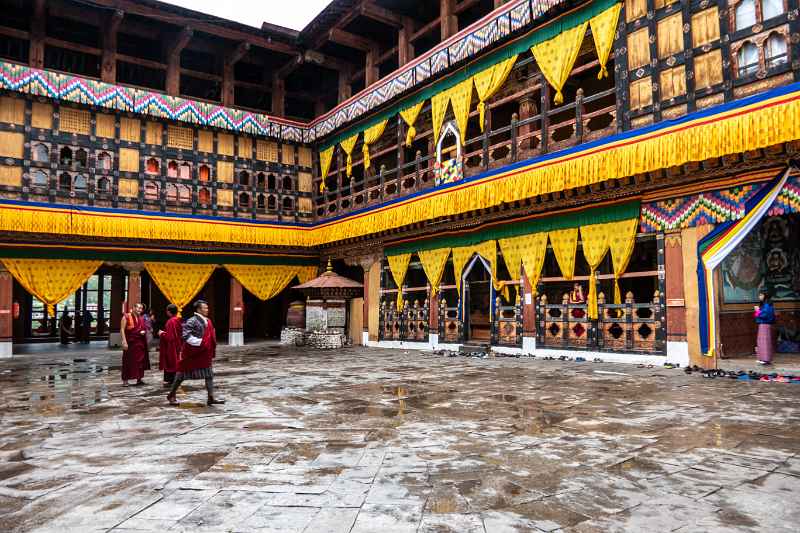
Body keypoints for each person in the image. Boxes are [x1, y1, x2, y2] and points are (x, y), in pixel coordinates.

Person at [167, 300, 224, 406]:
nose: (207, 310)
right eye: (205, 308)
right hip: (192, 353)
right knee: (181, 375)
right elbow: (185, 335)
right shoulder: (192, 321)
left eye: (207, 308)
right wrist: (201, 342)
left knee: (209, 374)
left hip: (204, 353)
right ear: (198, 309)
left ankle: (210, 397)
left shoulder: (208, 321)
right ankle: (171, 395)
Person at [121, 303, 148, 386]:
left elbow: (143, 328)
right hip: (130, 343)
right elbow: (122, 329)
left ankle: (139, 379)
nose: (140, 310)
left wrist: (144, 332)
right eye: (138, 308)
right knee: (127, 361)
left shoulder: (141, 318)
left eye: (141, 308)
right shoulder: (126, 316)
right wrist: (124, 341)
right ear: (133, 308)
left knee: (140, 361)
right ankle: (125, 380)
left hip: (139, 343)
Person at [158, 304, 182, 385]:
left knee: (171, 362)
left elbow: (170, 337)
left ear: (168, 312)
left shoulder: (170, 321)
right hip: (177, 344)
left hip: (171, 346)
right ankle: (173, 379)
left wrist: (162, 333)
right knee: (175, 361)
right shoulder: (177, 320)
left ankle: (172, 380)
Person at [755, 289, 776, 365]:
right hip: (763, 324)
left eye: (761, 295)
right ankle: (762, 358)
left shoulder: (767, 305)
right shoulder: (766, 304)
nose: (759, 296)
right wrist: (758, 312)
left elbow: (765, 315)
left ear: (765, 296)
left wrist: (757, 311)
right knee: (761, 341)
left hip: (765, 324)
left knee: (764, 342)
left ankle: (765, 359)